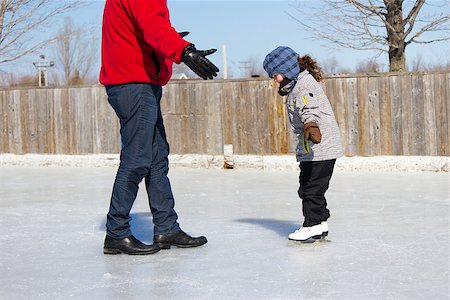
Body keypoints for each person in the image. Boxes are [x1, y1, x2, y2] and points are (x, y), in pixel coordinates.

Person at [100, 0, 219, 255]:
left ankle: (166, 227)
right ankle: (116, 232)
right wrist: (183, 50)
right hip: (133, 83)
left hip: (139, 83)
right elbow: (154, 26)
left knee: (155, 159)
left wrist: (173, 39)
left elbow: (146, 29)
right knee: (137, 159)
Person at [263, 46, 343, 242]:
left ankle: (312, 224)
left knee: (310, 188)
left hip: (319, 148)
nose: (275, 80)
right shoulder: (299, 83)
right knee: (311, 186)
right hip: (315, 148)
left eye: (276, 75)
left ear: (287, 69)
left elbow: (309, 107)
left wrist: (310, 124)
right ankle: (321, 222)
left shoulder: (303, 87)